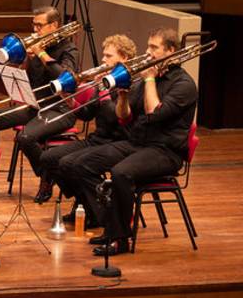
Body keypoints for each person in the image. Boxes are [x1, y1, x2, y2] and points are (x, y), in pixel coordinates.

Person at [67, 28, 197, 256]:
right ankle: (107, 222)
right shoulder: (148, 79)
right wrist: (124, 95)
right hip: (137, 143)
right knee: (81, 163)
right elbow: (124, 117)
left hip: (165, 151)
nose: (147, 53)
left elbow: (154, 111)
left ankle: (120, 238)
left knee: (121, 173)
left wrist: (148, 79)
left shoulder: (183, 84)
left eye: (154, 48)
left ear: (171, 51)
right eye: (148, 46)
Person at [43, 35, 136, 226]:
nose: (103, 60)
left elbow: (116, 117)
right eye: (103, 55)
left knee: (71, 163)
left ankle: (99, 213)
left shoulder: (132, 83)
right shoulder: (105, 82)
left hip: (119, 142)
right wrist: (68, 98)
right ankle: (84, 202)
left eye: (108, 56)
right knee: (49, 158)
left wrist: (101, 90)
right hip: (98, 139)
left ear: (124, 58)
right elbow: (86, 114)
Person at [0, 7, 80, 204]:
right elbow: (28, 80)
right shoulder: (36, 47)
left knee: (25, 137)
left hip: (60, 108)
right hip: (35, 105)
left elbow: (66, 78)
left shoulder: (69, 50)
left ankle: (47, 176)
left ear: (54, 26)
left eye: (39, 25)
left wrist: (41, 54)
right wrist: (24, 60)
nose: (35, 30)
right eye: (33, 25)